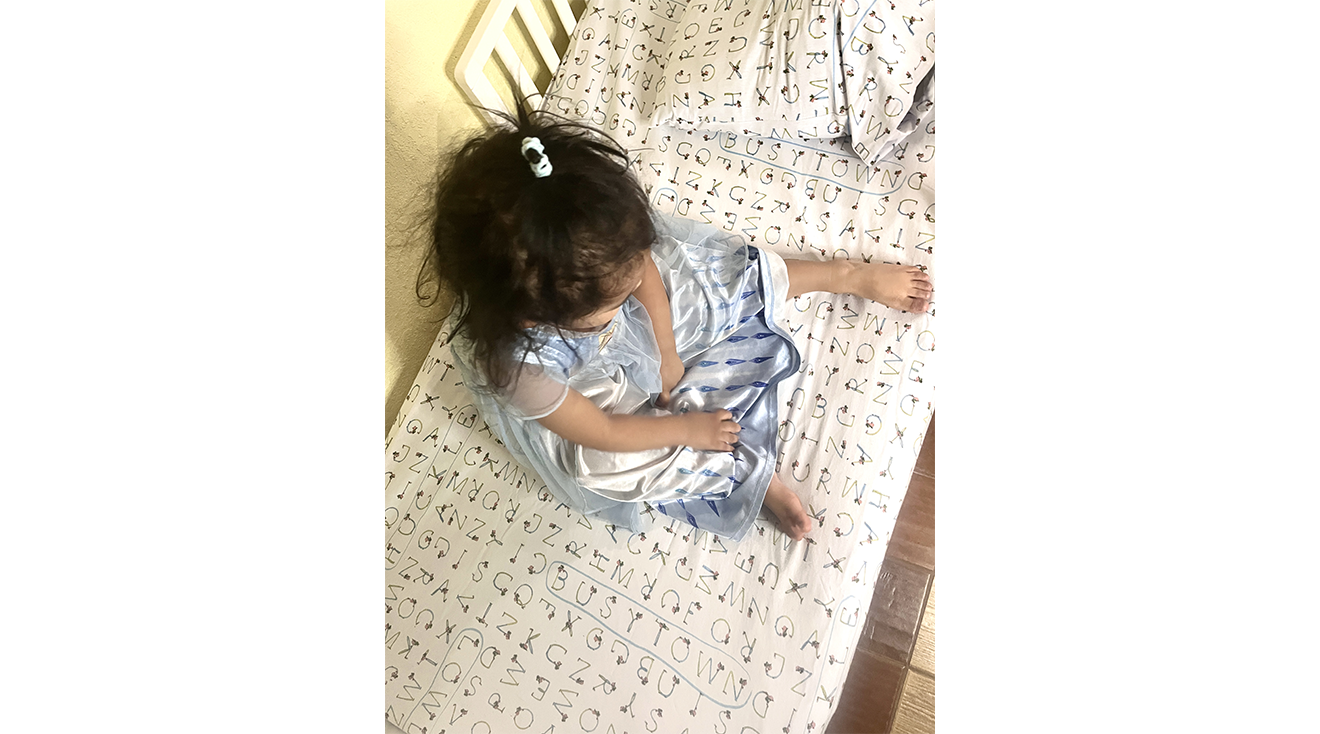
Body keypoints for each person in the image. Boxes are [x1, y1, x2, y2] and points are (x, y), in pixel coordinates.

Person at [416, 108, 932, 542]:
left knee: (701, 281)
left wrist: (665, 350)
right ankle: (748, 474)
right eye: (612, 299)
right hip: (583, 385)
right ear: (537, 317)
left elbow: (644, 273)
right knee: (603, 465)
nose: (631, 278)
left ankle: (842, 275)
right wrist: (686, 429)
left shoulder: (604, 250)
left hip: (621, 322)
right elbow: (603, 430)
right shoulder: (519, 369)